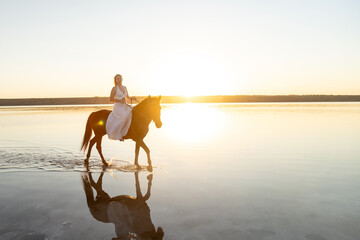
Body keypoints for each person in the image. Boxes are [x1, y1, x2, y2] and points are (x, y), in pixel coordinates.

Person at [106, 74, 138, 141]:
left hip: (125, 105)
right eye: (118, 79)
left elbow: (128, 97)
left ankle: (131, 131)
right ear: (115, 80)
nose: (119, 80)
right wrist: (120, 101)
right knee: (124, 116)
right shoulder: (114, 88)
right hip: (118, 107)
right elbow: (111, 99)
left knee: (134, 111)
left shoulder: (125, 87)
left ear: (122, 79)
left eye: (120, 78)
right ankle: (119, 134)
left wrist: (133, 98)